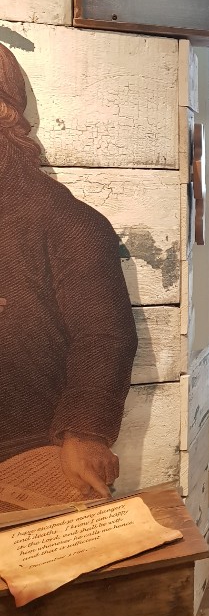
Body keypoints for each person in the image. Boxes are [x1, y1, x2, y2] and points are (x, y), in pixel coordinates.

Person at [0, 43, 138, 500]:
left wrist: (85, 430)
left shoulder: (69, 223)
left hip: (27, 455)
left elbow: (105, 336)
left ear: (4, 112)